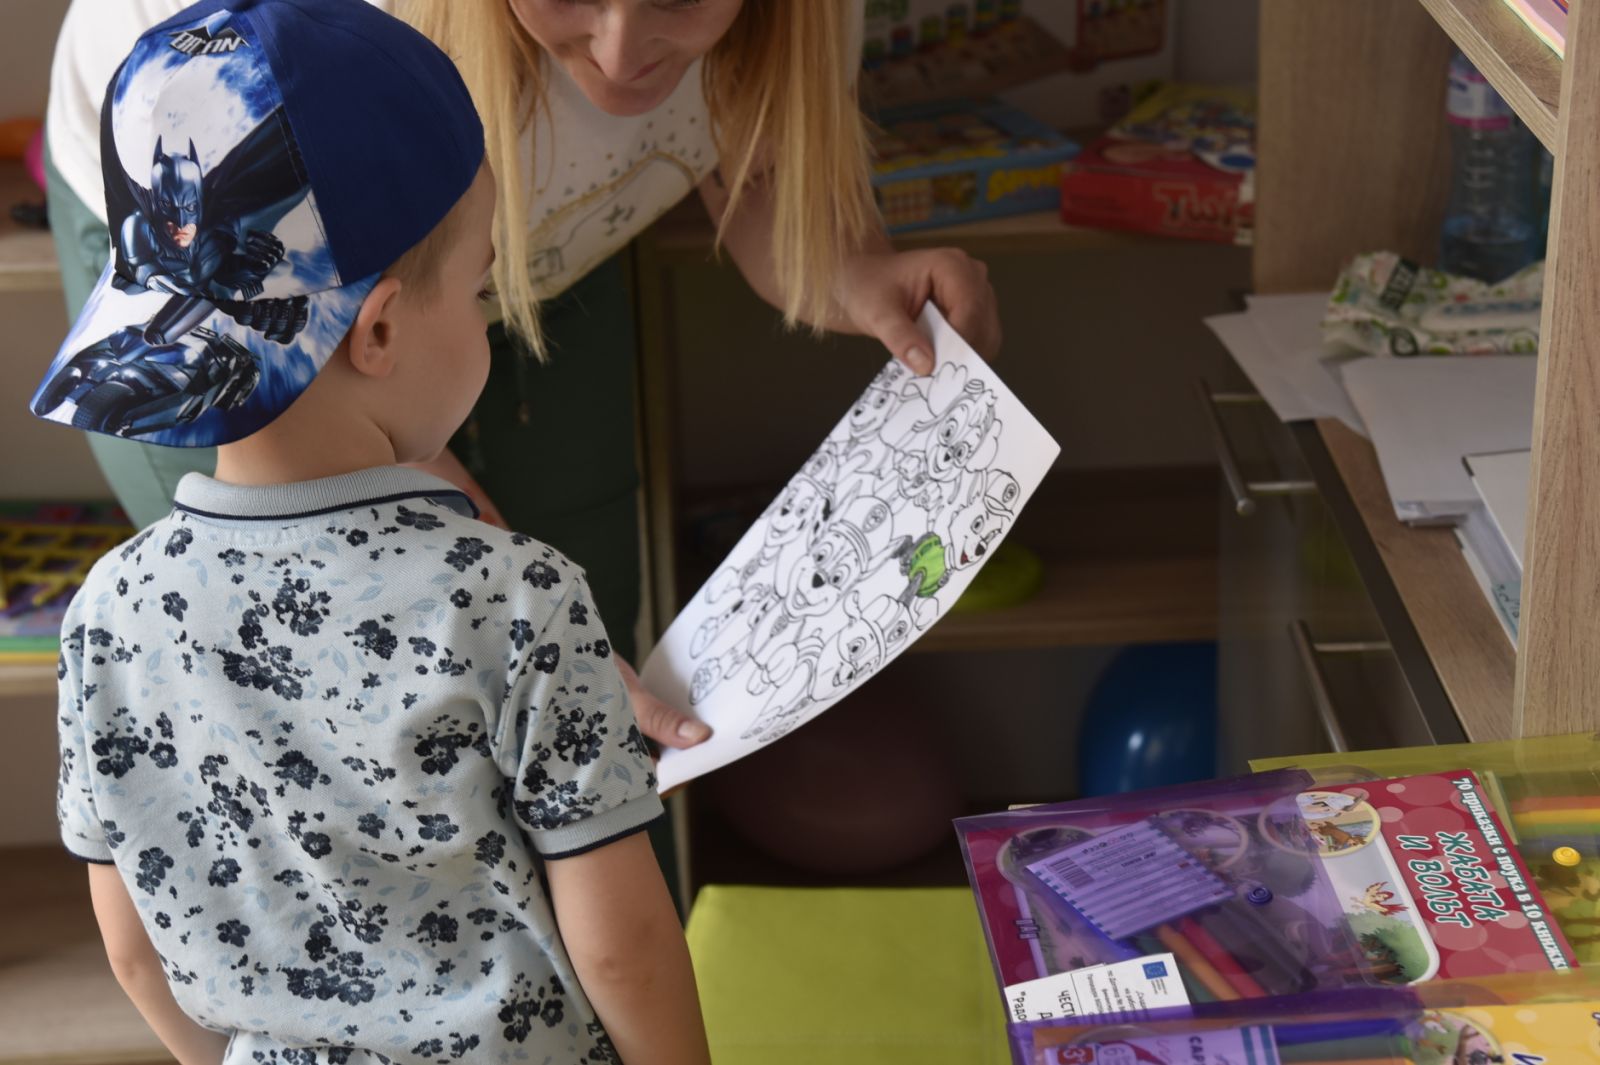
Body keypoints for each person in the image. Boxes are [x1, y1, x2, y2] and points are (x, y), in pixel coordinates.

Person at [46, 0, 1001, 751]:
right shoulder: (345, 55)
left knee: (580, 627)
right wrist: (528, 642)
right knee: (344, 671)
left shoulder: (103, 625)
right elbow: (342, 436)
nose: (623, 54)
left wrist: (854, 270)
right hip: (231, 252)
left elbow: (750, 152)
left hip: (420, 250)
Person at [39, 3, 709, 1063]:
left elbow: (131, 949)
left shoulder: (106, 614)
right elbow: (623, 950)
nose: (485, 315)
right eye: (480, 288)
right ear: (383, 327)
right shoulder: (517, 599)